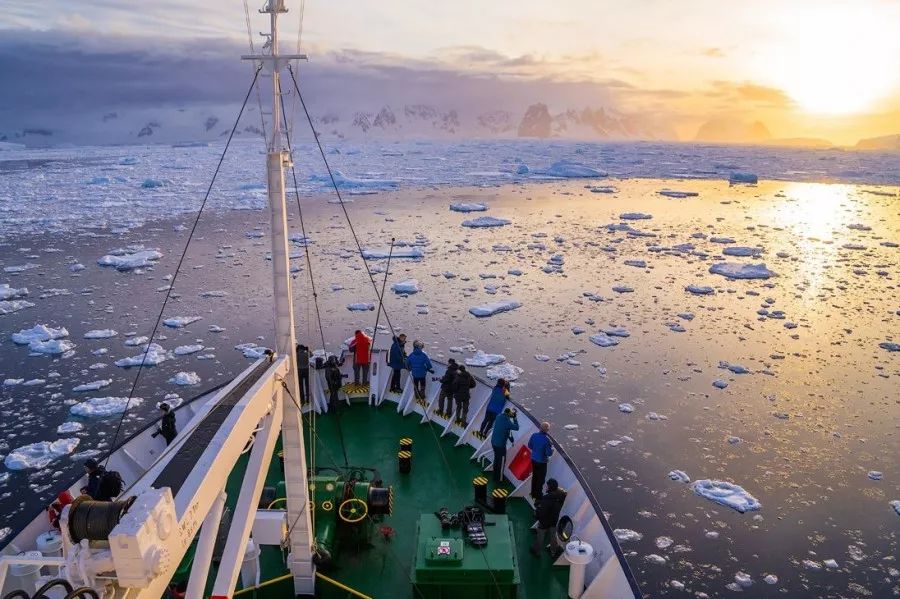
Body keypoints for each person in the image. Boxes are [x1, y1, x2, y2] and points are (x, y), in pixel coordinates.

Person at [531, 478, 567, 558]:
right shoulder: (561, 495)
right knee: (553, 536)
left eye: (547, 486)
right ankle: (553, 552)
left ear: (550, 487)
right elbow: (564, 493)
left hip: (544, 522)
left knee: (540, 536)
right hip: (554, 520)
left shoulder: (546, 499)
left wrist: (536, 514)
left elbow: (542, 512)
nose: (545, 487)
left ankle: (536, 551)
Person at [490, 407, 519, 483]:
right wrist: (515, 418)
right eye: (511, 413)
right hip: (500, 445)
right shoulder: (507, 422)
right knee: (502, 461)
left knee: (496, 459)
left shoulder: (499, 416)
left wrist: (510, 416)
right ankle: (500, 478)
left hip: (493, 442)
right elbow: (516, 427)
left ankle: (495, 475)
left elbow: (507, 429)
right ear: (508, 414)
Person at [527, 422, 554, 500]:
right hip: (542, 462)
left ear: (540, 428)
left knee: (535, 476)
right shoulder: (547, 440)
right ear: (547, 430)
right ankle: (538, 496)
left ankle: (533, 493)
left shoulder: (534, 435)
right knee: (541, 479)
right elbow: (548, 453)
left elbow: (530, 445)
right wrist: (551, 448)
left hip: (534, 459)